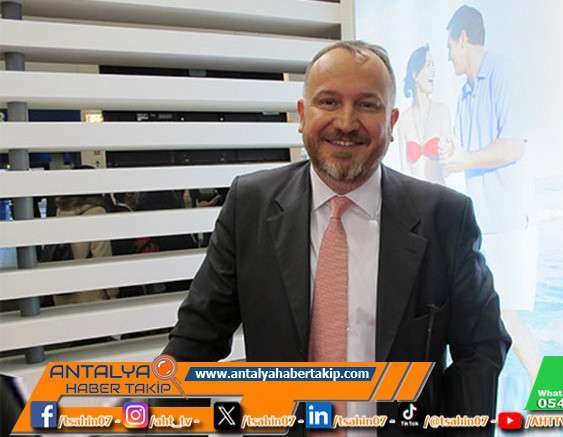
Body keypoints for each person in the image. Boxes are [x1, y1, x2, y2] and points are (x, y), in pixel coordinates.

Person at [164, 40, 510, 436]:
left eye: (367, 105)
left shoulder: (445, 217)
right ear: (302, 114)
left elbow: (481, 348)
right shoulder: (250, 206)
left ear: (392, 122)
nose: (345, 123)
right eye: (328, 102)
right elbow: (195, 339)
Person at [442, 3, 541, 412]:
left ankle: (551, 395)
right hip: (484, 225)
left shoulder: (504, 73)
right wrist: (454, 154)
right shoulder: (464, 96)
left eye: (450, 46)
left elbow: (514, 146)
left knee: (508, 318)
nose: (448, 56)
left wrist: (464, 158)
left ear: (463, 40)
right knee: (489, 323)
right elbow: (465, 155)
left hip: (511, 222)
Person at [396, 44, 454, 184]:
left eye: (433, 65)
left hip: (440, 192)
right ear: (415, 74)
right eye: (428, 65)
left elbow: (449, 168)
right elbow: (404, 169)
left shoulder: (442, 112)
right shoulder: (404, 119)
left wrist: (449, 154)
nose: (433, 71)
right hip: (414, 194)